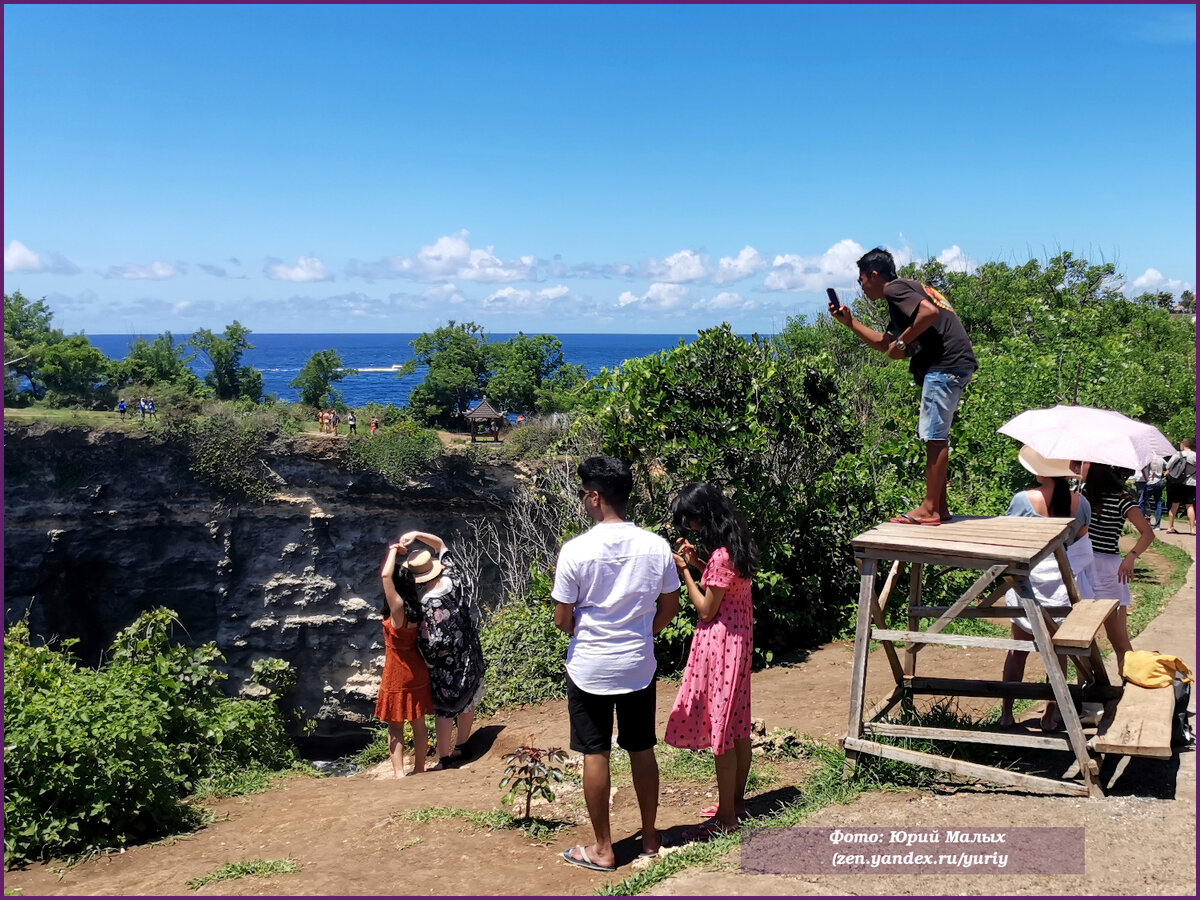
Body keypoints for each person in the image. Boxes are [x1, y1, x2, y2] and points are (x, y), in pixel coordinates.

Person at [553, 456, 681, 871]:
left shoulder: (575, 551)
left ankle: (604, 849)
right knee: (642, 749)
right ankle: (648, 838)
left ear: (594, 496)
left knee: (596, 753)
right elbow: (670, 605)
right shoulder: (655, 545)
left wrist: (586, 635)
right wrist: (646, 634)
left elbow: (562, 618)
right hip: (637, 663)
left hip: (589, 666)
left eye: (583, 494)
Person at [829, 248, 977, 526]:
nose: (861, 287)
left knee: (935, 437)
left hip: (944, 365)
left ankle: (930, 509)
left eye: (861, 280)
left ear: (873, 275)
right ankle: (940, 507)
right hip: (955, 364)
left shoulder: (895, 289)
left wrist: (902, 342)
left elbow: (929, 313)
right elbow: (885, 344)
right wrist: (850, 323)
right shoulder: (908, 290)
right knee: (936, 435)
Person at [664, 483, 759, 835]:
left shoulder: (720, 556)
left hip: (720, 648)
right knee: (738, 727)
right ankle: (735, 803)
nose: (690, 527)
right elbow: (724, 585)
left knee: (722, 732)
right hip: (739, 644)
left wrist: (685, 572)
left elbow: (706, 609)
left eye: (691, 520)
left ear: (704, 515)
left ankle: (727, 820)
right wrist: (697, 562)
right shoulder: (736, 545)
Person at [998, 447, 1093, 731]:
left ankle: (1006, 713)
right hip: (1064, 586)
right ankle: (1050, 716)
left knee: (1019, 650)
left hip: (1030, 583)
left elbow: (1008, 538)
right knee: (1059, 654)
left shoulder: (1022, 500)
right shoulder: (1081, 503)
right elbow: (1080, 543)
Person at [396, 530, 486, 767]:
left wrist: (425, 660)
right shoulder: (453, 576)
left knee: (444, 709)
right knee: (469, 696)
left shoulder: (425, 603)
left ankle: (444, 757)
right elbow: (440, 543)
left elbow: (428, 639)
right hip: (468, 650)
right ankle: (462, 745)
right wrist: (415, 534)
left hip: (443, 663)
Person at [1082, 461, 1155, 676]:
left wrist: (1131, 557)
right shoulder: (1082, 496)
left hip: (1107, 569)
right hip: (1087, 567)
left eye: (1083, 465)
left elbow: (1147, 533)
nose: (1077, 469)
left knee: (1119, 640)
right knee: (1081, 639)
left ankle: (1131, 685)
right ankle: (1085, 692)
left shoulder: (1122, 498)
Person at [375, 541, 435, 777]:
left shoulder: (397, 608)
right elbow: (388, 574)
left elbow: (385, 575)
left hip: (397, 672)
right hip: (417, 668)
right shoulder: (415, 609)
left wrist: (392, 550)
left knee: (396, 727)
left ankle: (400, 773)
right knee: (419, 724)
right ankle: (419, 768)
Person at [1164, 438, 1196, 535]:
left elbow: (1168, 466)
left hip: (1177, 483)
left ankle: (1170, 527)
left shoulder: (1178, 454)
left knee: (1175, 504)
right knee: (1189, 505)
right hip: (1191, 482)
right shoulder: (1195, 455)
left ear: (1183, 444)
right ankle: (1192, 529)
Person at [1141, 454, 1167, 530]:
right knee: (1158, 503)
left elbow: (1142, 468)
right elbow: (1170, 467)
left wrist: (1146, 478)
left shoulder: (1149, 458)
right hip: (1159, 481)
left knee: (1142, 501)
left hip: (1151, 482)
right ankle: (1157, 525)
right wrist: (1164, 475)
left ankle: (1142, 522)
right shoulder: (1161, 459)